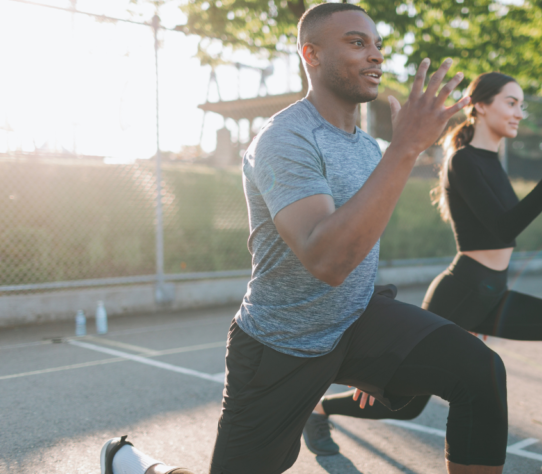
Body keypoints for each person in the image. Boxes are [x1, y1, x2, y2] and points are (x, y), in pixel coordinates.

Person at [100, 4, 511, 474]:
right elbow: (327, 259)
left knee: (480, 372)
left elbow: (359, 243)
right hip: (283, 344)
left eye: (378, 45)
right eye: (358, 43)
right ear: (310, 54)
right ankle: (137, 466)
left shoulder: (363, 146)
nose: (375, 55)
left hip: (356, 321)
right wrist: (405, 147)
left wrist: (381, 348)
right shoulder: (284, 138)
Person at [303, 73, 542, 474]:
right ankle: (319, 408)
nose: (520, 112)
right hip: (461, 293)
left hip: (493, 294)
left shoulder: (490, 160)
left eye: (522, 104)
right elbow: (504, 228)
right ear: (481, 105)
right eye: (511, 102)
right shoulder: (463, 160)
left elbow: (503, 229)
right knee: (406, 403)